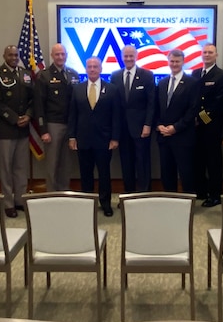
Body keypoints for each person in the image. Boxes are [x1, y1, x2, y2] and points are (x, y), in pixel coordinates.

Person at [68, 57, 121, 216]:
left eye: (95, 66)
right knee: (85, 173)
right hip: (83, 139)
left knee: (104, 173)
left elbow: (116, 116)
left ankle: (105, 203)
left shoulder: (111, 89)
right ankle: (88, 204)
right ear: (86, 69)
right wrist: (72, 137)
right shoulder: (77, 89)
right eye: (89, 66)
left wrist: (115, 138)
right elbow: (73, 115)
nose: (92, 69)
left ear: (100, 69)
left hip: (104, 140)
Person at [0, 44, 33, 218]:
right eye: (10, 55)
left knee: (21, 167)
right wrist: (14, 118)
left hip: (23, 129)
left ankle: (20, 199)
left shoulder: (25, 74)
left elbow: (32, 99)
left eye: (16, 55)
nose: (14, 57)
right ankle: (8, 202)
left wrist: (28, 115)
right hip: (5, 129)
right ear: (4, 55)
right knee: (6, 168)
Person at [110, 44, 156, 195]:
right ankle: (128, 196)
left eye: (131, 56)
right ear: (122, 57)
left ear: (136, 57)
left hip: (141, 128)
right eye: (126, 56)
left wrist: (148, 124)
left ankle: (144, 195)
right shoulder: (115, 76)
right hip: (122, 129)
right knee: (126, 163)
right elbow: (114, 105)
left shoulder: (147, 75)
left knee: (142, 162)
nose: (128, 59)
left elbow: (151, 104)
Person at [35, 43, 80, 192]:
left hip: (70, 125)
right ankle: (51, 195)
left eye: (63, 54)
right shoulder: (44, 75)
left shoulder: (73, 74)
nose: (60, 57)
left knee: (67, 164)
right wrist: (43, 130)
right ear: (52, 56)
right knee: (52, 164)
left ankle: (64, 193)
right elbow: (39, 105)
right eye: (57, 54)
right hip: (53, 125)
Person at [155, 49, 199, 193]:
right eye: (172, 61)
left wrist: (175, 128)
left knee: (186, 172)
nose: (174, 64)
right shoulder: (162, 83)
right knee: (167, 172)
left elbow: (192, 110)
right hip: (164, 137)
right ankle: (170, 201)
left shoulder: (192, 83)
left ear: (183, 62)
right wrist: (159, 125)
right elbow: (156, 107)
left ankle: (188, 205)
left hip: (183, 136)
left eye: (177, 61)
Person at [192, 43, 223, 206]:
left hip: (212, 125)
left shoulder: (222, 75)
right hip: (194, 126)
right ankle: (201, 191)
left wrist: (200, 118)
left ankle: (215, 195)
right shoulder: (195, 73)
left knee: (213, 162)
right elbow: (192, 98)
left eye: (210, 52)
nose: (207, 55)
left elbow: (218, 102)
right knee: (198, 160)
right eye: (205, 52)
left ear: (216, 55)